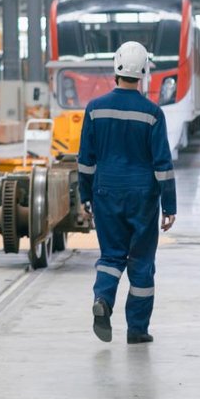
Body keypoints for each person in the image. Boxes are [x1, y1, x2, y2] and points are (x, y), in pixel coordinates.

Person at [76, 40, 177, 345]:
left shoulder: (94, 110)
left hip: (105, 192)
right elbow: (162, 164)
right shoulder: (153, 113)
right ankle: (137, 329)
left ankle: (103, 299)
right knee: (142, 261)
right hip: (143, 197)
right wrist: (169, 205)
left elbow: (85, 161)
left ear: (116, 68)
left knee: (111, 256)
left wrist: (86, 197)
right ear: (144, 72)